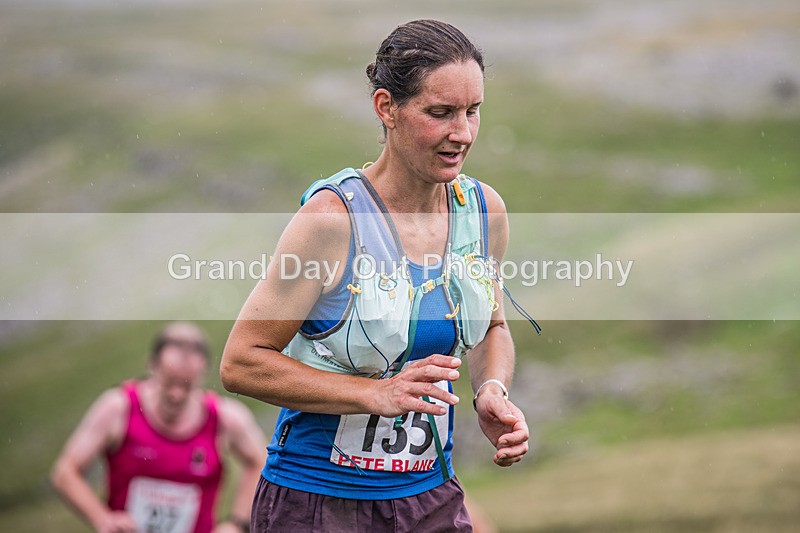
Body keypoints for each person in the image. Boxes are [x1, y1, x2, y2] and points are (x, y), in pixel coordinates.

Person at [221, 19, 533, 533]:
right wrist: (374, 394)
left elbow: (492, 327)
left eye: (472, 111)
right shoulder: (331, 221)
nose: (463, 133)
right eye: (440, 113)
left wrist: (491, 390)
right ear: (386, 108)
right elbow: (241, 363)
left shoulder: (483, 211)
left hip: (428, 497)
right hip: (315, 501)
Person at [51, 322, 267, 533]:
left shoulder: (225, 418)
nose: (176, 395)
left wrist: (236, 524)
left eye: (186, 385)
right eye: (170, 382)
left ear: (203, 374)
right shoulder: (118, 408)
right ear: (152, 365)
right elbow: (65, 472)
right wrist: (102, 518)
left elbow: (261, 462)